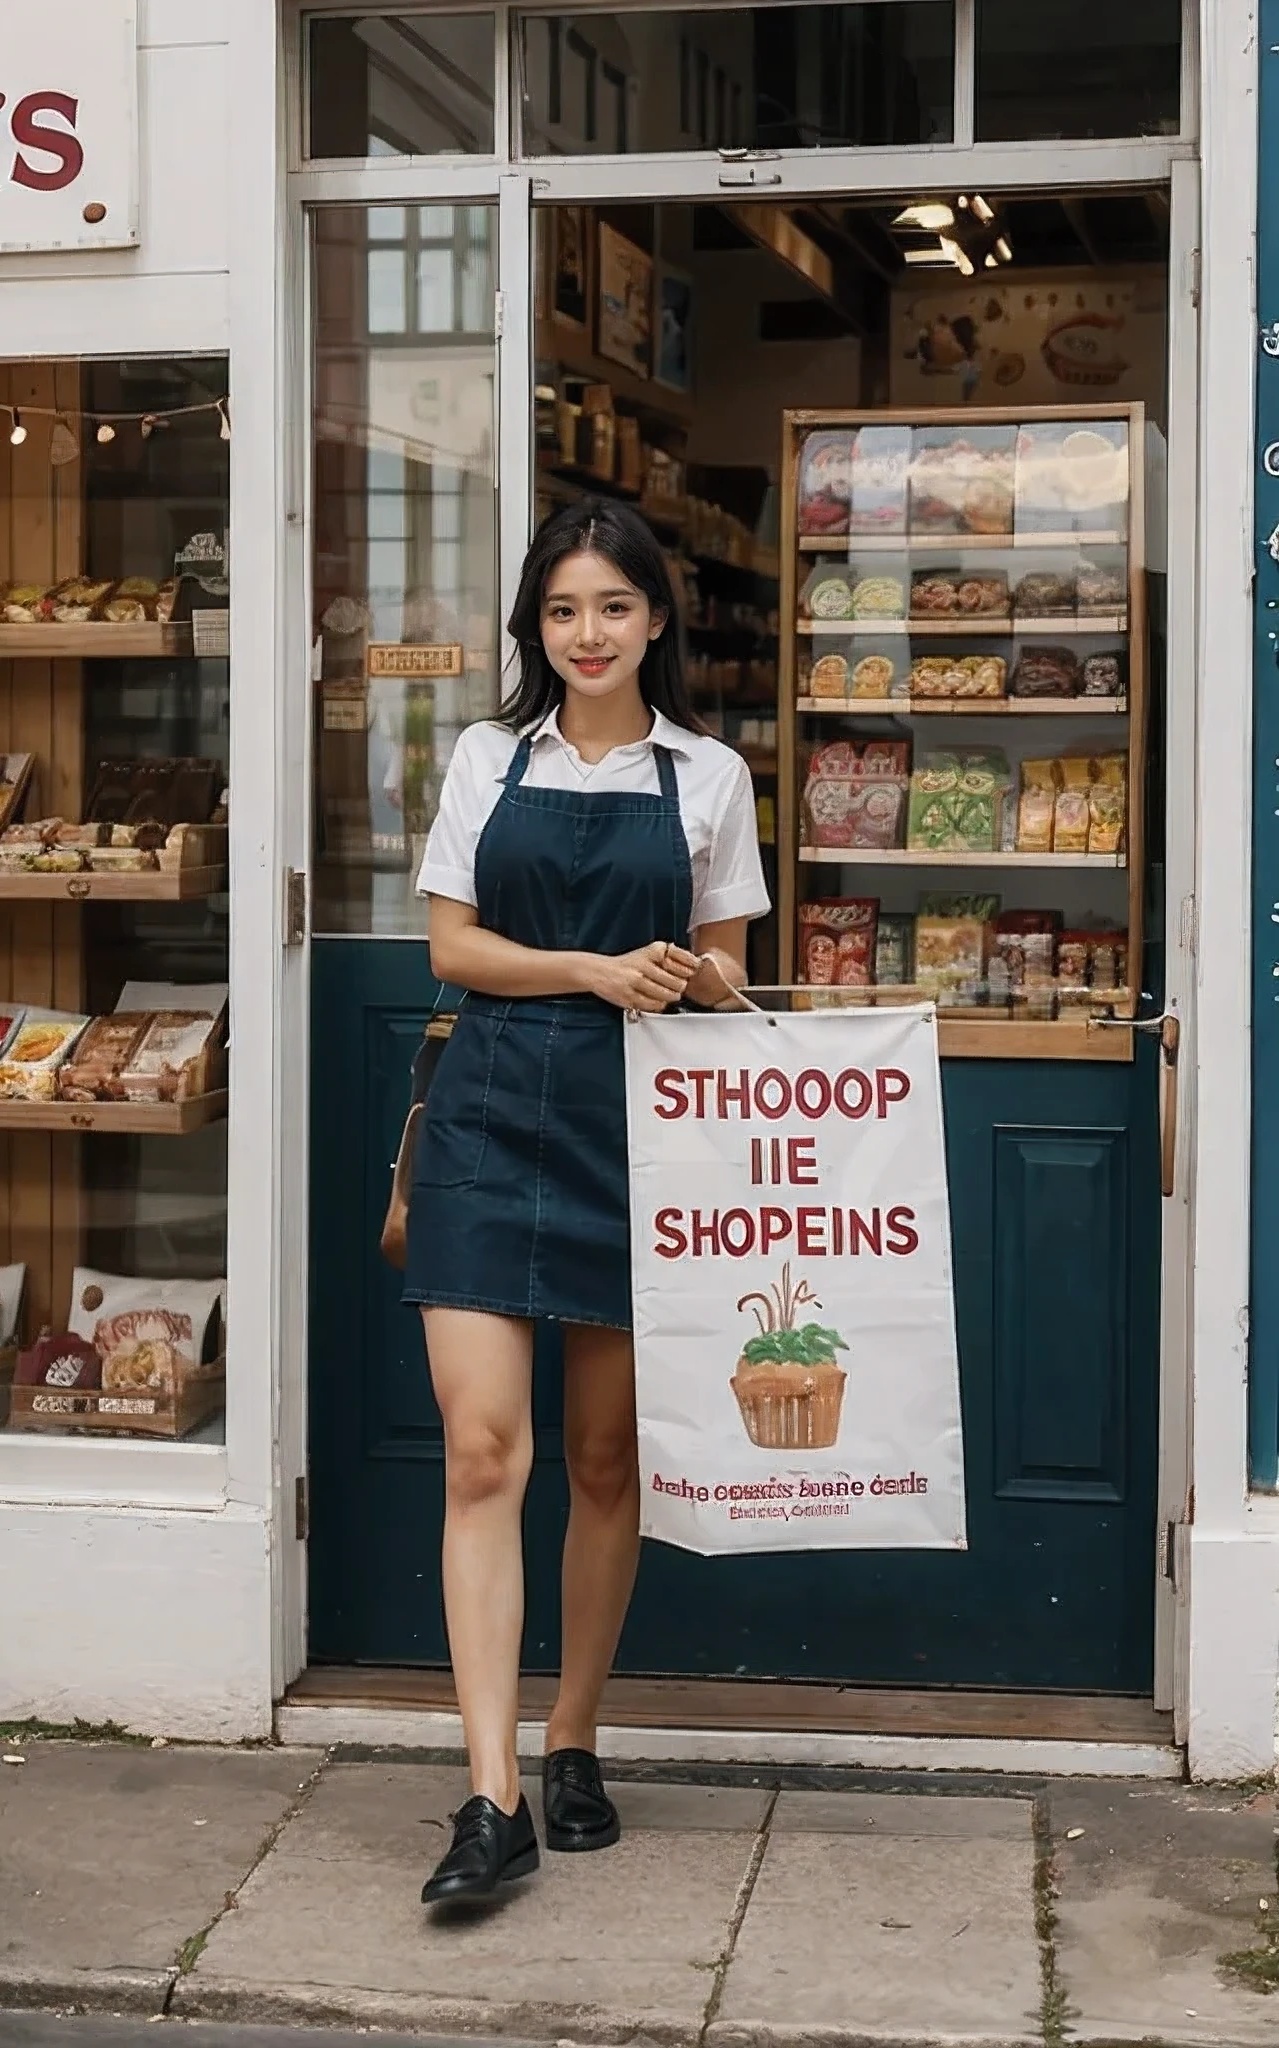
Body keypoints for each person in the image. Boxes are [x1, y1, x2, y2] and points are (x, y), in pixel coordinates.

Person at [403, 497, 770, 1908]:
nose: (588, 634)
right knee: (484, 1456)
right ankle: (489, 1793)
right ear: (533, 629)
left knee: (608, 1461)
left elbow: (734, 972)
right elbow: (453, 948)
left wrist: (684, 975)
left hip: (647, 1138)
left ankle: (573, 1740)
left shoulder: (712, 775)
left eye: (613, 607)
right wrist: (594, 970)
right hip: (493, 1120)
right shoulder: (489, 758)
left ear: (658, 619)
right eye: (562, 610)